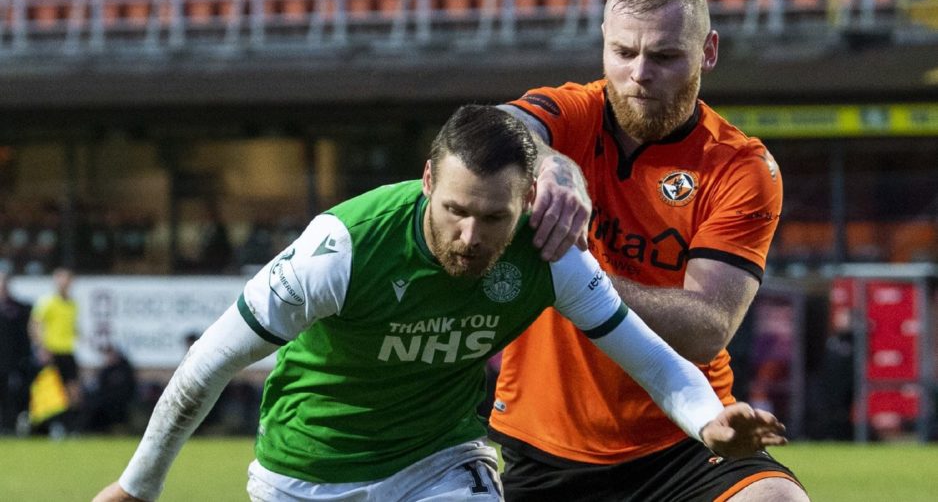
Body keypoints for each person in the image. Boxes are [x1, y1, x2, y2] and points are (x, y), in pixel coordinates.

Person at [94, 105, 786, 502]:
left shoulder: (549, 256)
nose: (471, 236)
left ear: (526, 202)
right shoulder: (342, 249)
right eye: (455, 211)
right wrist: (135, 488)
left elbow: (656, 362)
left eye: (494, 218)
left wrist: (706, 424)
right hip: (306, 471)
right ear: (427, 181)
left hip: (438, 463)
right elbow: (203, 369)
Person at [489, 0, 807, 501]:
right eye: (624, 53)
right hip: (545, 446)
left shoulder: (739, 166)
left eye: (664, 56)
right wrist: (553, 166)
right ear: (604, 46)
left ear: (708, 51)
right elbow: (493, 130)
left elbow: (707, 326)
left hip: (687, 440)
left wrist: (572, 279)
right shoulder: (572, 114)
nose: (639, 73)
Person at [30, 267, 82, 432]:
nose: (63, 283)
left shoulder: (73, 304)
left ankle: (71, 426)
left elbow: (71, 327)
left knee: (73, 392)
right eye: (60, 279)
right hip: (52, 352)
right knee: (52, 392)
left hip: (67, 351)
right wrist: (41, 347)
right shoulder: (48, 302)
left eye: (66, 279)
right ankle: (54, 426)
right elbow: (35, 324)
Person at [0, 271, 34, 433]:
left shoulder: (18, 308)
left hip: (12, 361)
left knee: (11, 394)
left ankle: (8, 426)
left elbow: (25, 336)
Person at [77, 344, 137, 434]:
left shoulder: (124, 369)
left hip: (120, 401)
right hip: (106, 400)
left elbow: (127, 388)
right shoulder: (106, 370)